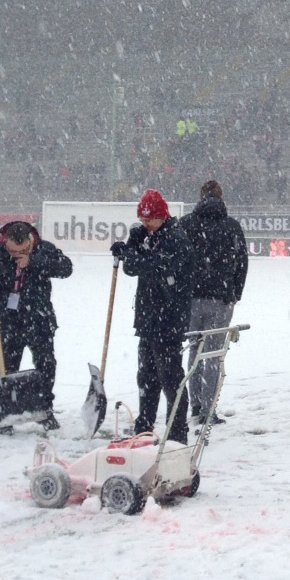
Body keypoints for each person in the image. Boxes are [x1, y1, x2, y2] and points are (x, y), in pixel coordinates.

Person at [0, 219, 73, 429]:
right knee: (7, 369)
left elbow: (66, 268)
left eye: (22, 250)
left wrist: (34, 262)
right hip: (7, 323)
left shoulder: (43, 249)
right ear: (5, 242)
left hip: (39, 320)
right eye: (12, 250)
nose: (16, 254)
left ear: (29, 243)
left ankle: (44, 409)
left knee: (46, 366)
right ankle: (6, 414)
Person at [113, 190, 194, 439]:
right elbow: (131, 269)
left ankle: (177, 430)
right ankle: (145, 424)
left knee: (170, 378)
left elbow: (154, 264)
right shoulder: (146, 236)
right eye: (142, 219)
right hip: (148, 317)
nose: (145, 223)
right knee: (146, 376)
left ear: (162, 217)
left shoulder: (175, 238)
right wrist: (131, 246)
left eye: (149, 219)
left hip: (168, 318)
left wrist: (131, 253)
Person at [178, 180, 248, 427]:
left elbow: (176, 261)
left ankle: (195, 404)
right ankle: (209, 409)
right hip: (221, 299)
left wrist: (181, 291)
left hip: (191, 298)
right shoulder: (232, 227)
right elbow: (242, 262)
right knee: (214, 356)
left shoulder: (185, 224)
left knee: (194, 352)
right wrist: (234, 292)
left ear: (200, 197)